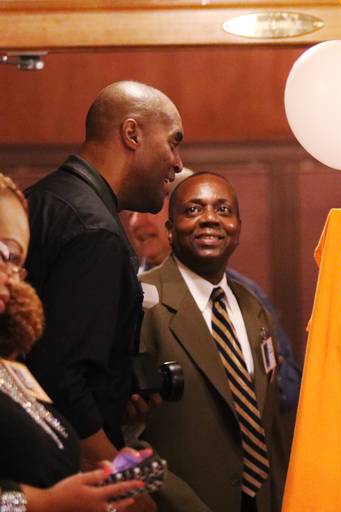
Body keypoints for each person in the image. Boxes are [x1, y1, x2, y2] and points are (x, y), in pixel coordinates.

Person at [23, 81, 183, 510]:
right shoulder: (96, 231)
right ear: (132, 134)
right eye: (173, 143)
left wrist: (113, 391)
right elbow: (60, 377)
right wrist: (122, 480)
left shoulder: (41, 199)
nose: (177, 163)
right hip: (62, 479)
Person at [139, 172, 288, 511]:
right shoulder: (143, 303)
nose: (210, 219)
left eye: (223, 210)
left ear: (238, 227)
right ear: (170, 228)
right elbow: (127, 437)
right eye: (193, 210)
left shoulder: (252, 308)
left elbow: (270, 422)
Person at [0, 172, 147, 512]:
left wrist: (98, 482)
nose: (11, 273)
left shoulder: (11, 368)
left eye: (16, 261)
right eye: (2, 252)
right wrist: (47, 503)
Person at [124, 168, 301, 414]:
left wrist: (253, 376)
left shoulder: (248, 298)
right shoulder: (131, 298)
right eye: (132, 211)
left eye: (151, 209)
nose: (136, 222)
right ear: (172, 225)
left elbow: (290, 387)